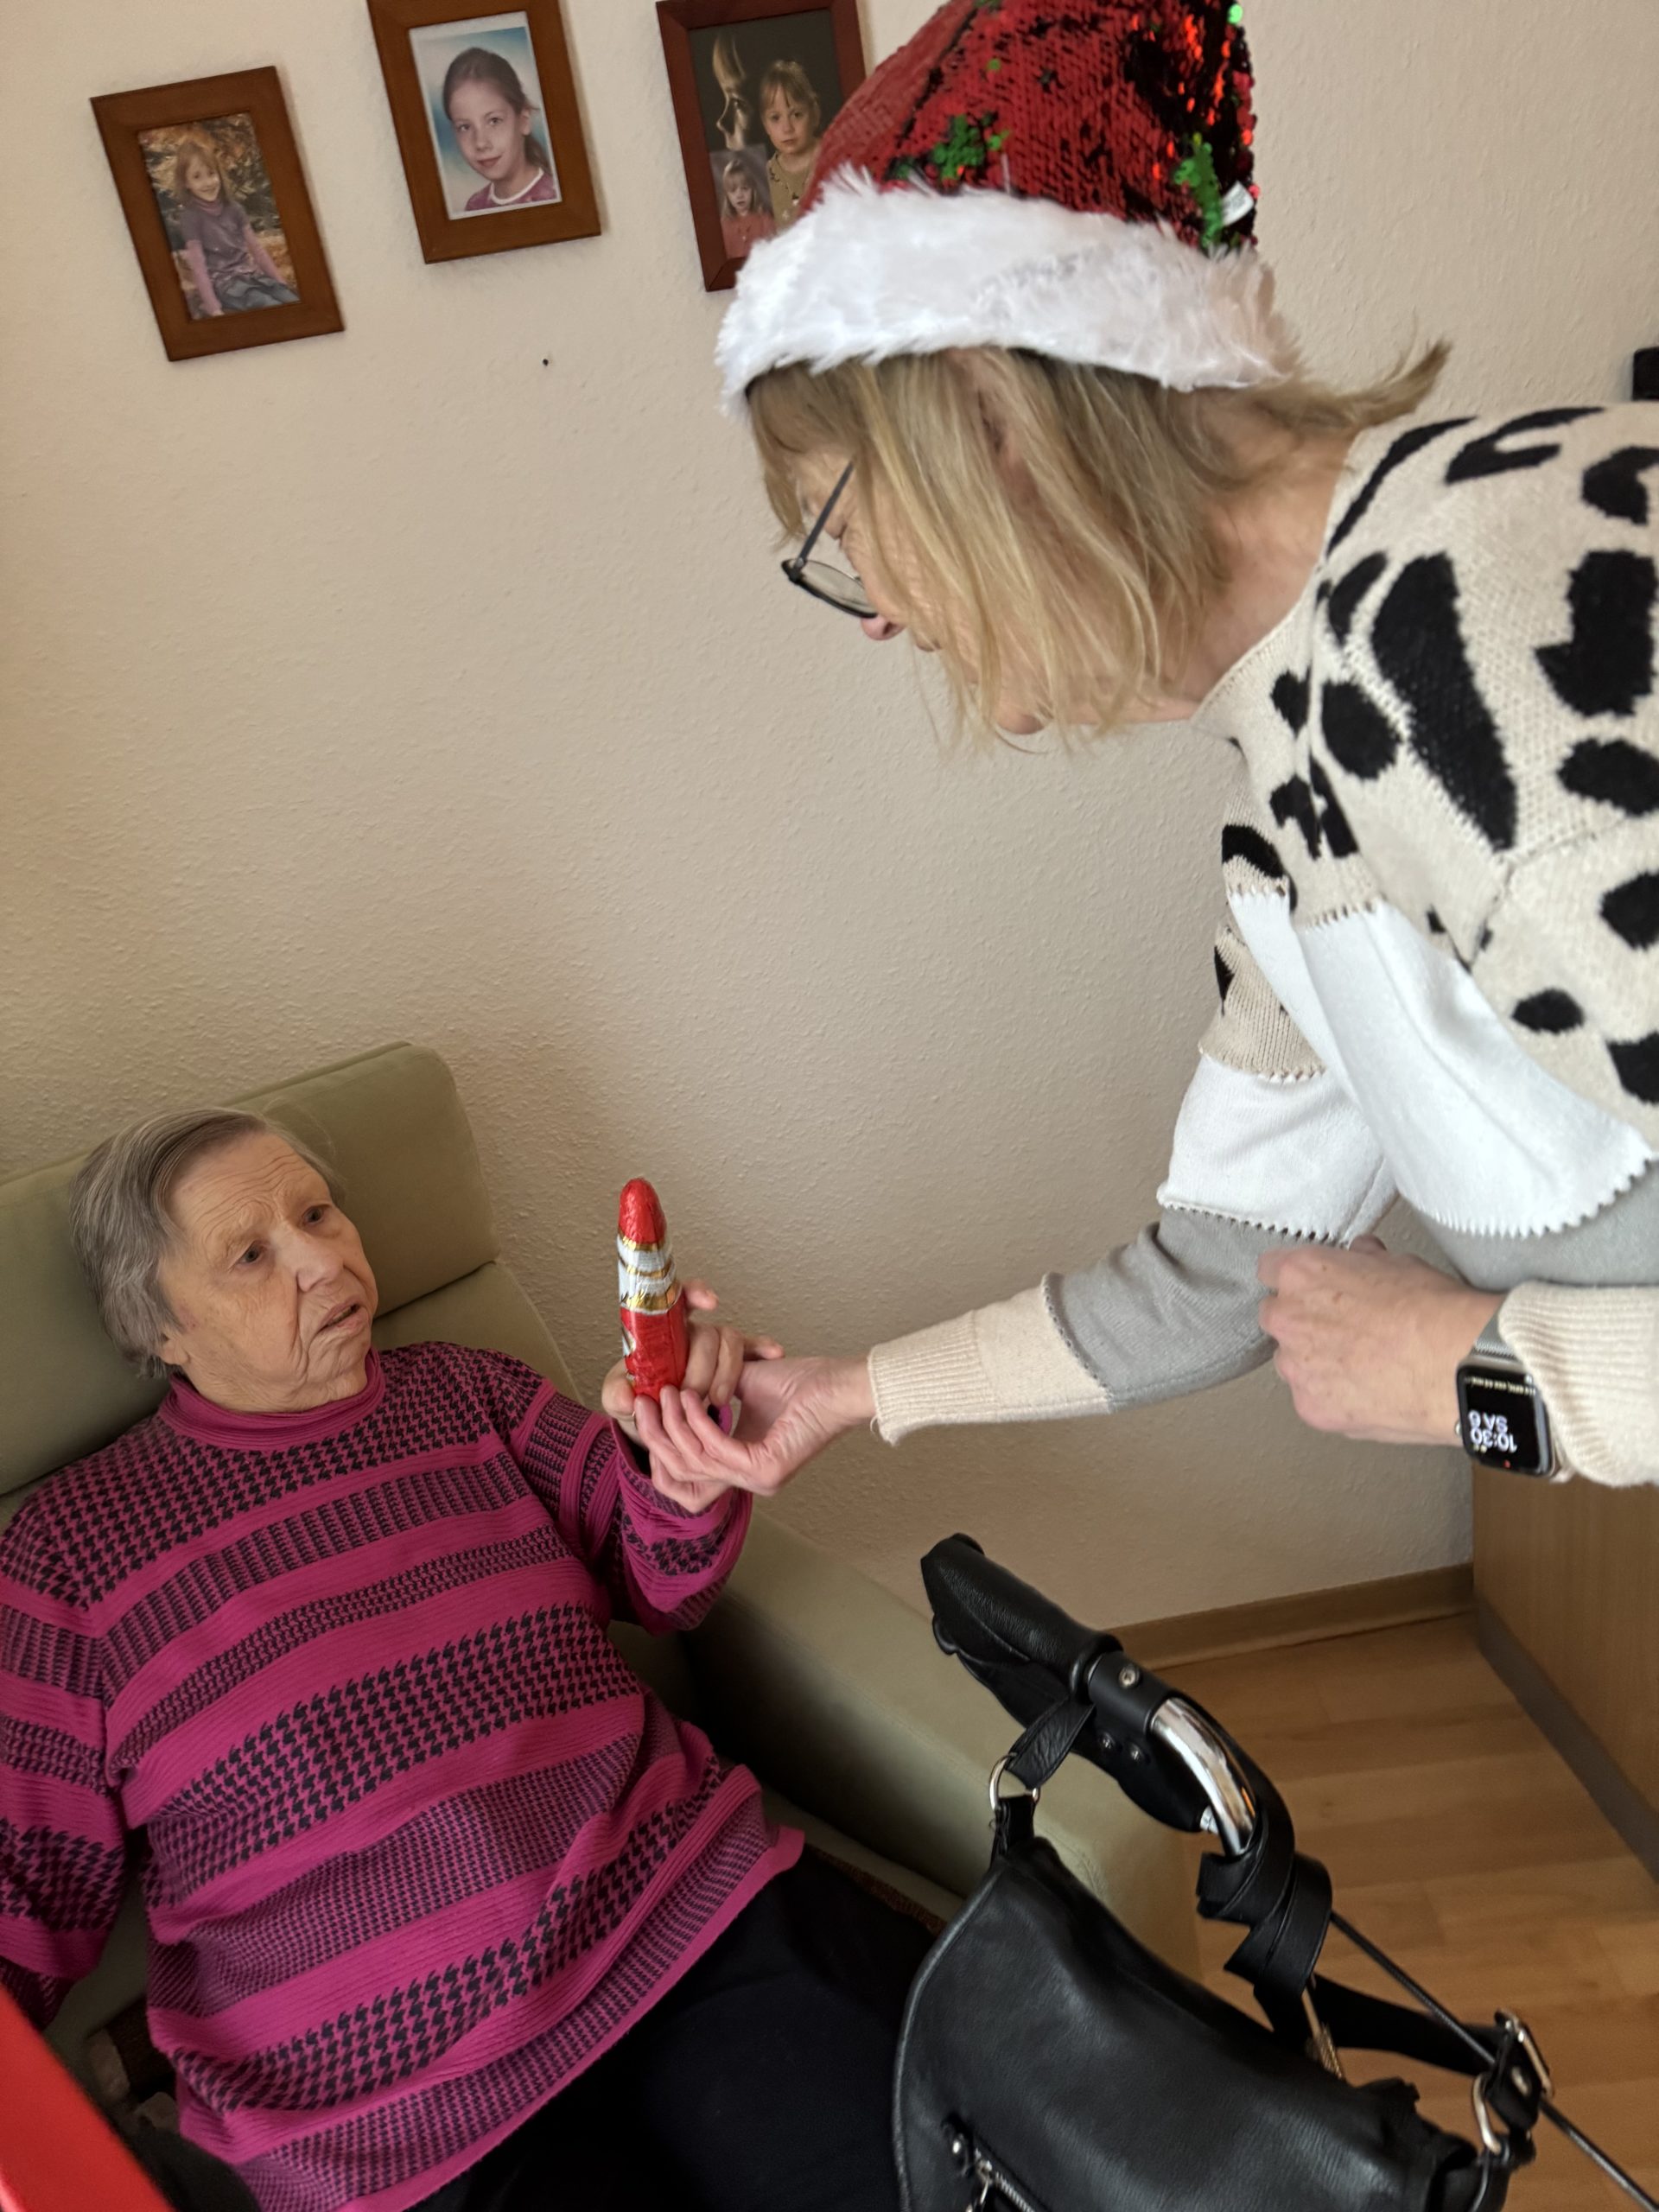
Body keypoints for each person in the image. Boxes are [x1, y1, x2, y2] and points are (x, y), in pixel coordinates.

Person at [607, 0, 1659, 1498]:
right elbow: (1229, 1268)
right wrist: (844, 1394)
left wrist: (1476, 1375)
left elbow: (1463, 1365)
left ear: (992, 430)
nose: (877, 615)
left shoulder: (1478, 639)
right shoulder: (1303, 746)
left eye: (847, 525)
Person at [0, 1109, 930, 2212]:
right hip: (389, 2116)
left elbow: (661, 1577)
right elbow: (23, 1897)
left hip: (681, 1924)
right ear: (159, 1326)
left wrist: (679, 1458)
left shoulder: (464, 1390)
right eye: (251, 1254)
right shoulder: (68, 1555)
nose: (321, 1258)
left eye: (318, 1212)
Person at [168, 137, 297, 317]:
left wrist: (280, 282)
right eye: (197, 177)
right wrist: (214, 308)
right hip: (227, 285)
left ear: (219, 174)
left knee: (290, 299)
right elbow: (199, 266)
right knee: (266, 304)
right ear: (186, 183)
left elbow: (257, 249)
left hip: (252, 275)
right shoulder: (191, 217)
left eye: (211, 173)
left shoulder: (234, 209)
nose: (208, 182)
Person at [442, 48, 561, 213]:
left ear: (524, 120)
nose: (481, 143)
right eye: (465, 127)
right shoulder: (475, 206)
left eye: (494, 121)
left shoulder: (554, 197)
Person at [758, 60, 823, 232]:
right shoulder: (765, 178)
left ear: (815, 114)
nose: (787, 128)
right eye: (775, 118)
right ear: (765, 124)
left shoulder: (832, 160)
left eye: (796, 115)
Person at [718, 155, 775, 259]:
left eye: (744, 188)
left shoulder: (765, 220)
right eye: (733, 190)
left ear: (753, 191)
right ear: (727, 195)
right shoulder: (724, 226)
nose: (739, 195)